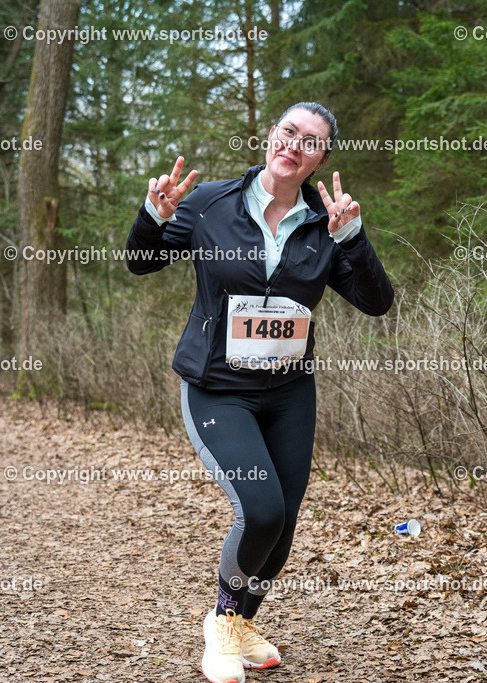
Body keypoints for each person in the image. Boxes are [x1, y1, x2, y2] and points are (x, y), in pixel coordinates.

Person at [125, 102, 393, 683]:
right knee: (261, 509)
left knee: (285, 521)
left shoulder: (324, 227)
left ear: (321, 159)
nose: (295, 145)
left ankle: (239, 625)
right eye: (289, 132)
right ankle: (221, 628)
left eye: (312, 142)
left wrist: (353, 237)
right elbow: (141, 262)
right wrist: (153, 214)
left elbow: (376, 301)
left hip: (290, 393)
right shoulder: (209, 204)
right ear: (271, 136)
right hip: (218, 388)